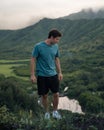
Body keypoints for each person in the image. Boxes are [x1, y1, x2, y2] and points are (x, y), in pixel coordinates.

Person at [30, 29, 63, 119]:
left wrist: (60, 72)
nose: (57, 41)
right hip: (42, 75)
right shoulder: (38, 46)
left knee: (56, 94)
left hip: (53, 74)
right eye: (57, 39)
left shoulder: (55, 46)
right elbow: (33, 59)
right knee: (44, 95)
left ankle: (55, 111)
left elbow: (56, 59)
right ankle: (47, 112)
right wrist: (32, 74)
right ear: (51, 37)